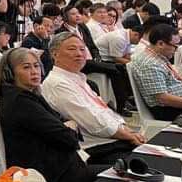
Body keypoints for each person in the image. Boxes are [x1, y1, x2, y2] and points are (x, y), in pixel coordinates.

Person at [0, 48, 102, 182]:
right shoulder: (21, 102)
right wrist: (70, 127)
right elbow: (68, 139)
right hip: (52, 179)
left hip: (58, 168)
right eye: (26, 67)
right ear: (10, 73)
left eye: (36, 66)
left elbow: (58, 124)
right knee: (115, 176)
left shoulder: (24, 94)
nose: (34, 72)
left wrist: (66, 127)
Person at [40, 32, 144, 163]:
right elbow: (92, 121)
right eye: (72, 49)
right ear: (55, 54)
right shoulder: (57, 84)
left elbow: (103, 111)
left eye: (82, 49)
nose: (79, 54)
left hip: (111, 140)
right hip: (96, 148)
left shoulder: (77, 78)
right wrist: (128, 135)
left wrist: (128, 131)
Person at [129, 23, 182, 120]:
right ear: (160, 44)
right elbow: (163, 98)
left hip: (177, 102)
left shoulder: (155, 55)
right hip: (169, 110)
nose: (176, 50)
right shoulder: (151, 64)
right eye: (175, 46)